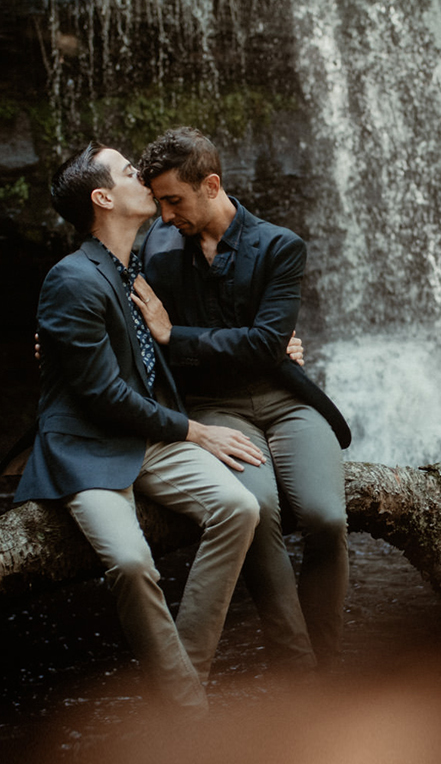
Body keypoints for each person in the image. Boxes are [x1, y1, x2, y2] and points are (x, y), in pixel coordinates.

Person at [13, 142, 263, 709]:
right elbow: (101, 394)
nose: (145, 180)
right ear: (103, 197)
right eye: (130, 172)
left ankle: (184, 684)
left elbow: (190, 330)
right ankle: (189, 710)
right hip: (90, 447)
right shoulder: (72, 278)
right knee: (130, 562)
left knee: (240, 507)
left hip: (148, 438)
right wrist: (195, 430)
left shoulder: (138, 266)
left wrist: (274, 349)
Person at [131, 127, 351, 667]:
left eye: (173, 201)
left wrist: (174, 336)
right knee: (258, 507)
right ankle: (296, 665)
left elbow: (262, 348)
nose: (163, 216)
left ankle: (332, 656)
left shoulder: (280, 246)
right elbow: (126, 329)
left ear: (211, 185)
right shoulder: (154, 253)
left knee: (326, 517)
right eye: (158, 201)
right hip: (214, 411)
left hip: (286, 401)